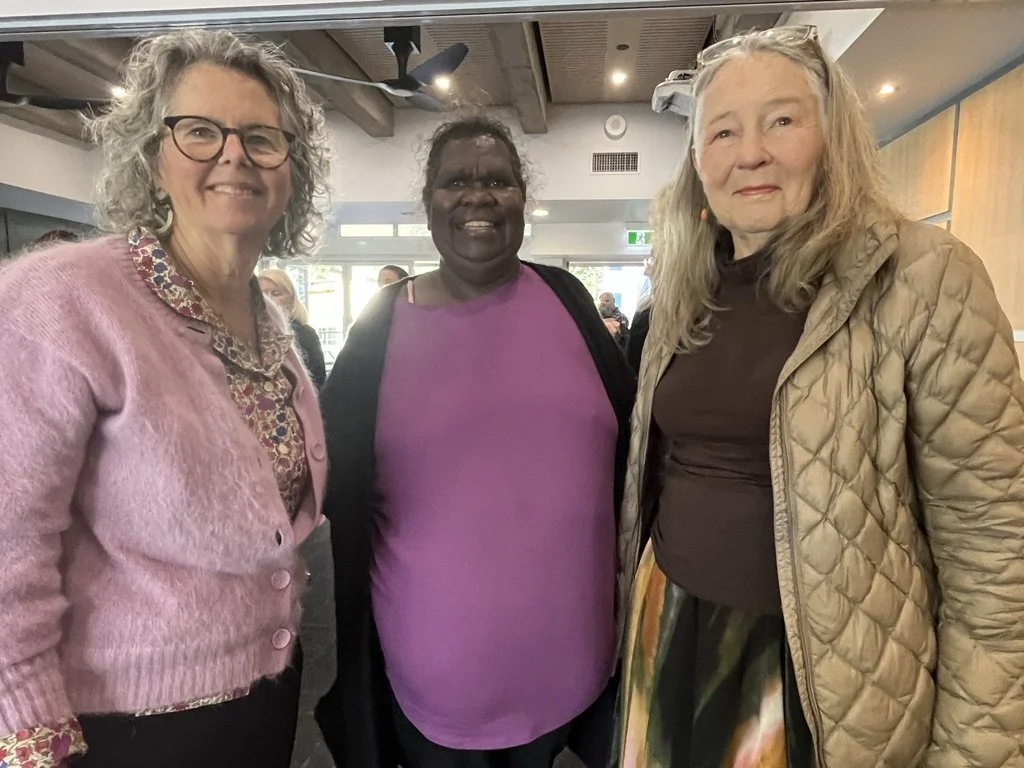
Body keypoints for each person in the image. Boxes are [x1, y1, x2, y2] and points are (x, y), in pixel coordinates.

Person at [615, 24, 1024, 768]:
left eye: (782, 120)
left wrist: (976, 748)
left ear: (832, 138)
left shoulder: (923, 278)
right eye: (723, 132)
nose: (752, 153)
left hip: (822, 673)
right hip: (669, 626)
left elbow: (995, 545)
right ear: (697, 162)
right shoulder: (681, 293)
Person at [0, 29, 332, 768]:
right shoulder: (61, 300)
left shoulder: (268, 324)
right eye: (201, 132)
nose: (234, 155)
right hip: (118, 727)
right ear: (154, 156)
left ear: (290, 170)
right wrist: (33, 736)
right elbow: (7, 540)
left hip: (265, 702)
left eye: (261, 138)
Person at [315, 116, 636, 768]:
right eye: (456, 181)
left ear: (523, 197)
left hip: (577, 669)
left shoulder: (568, 299)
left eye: (498, 180)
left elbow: (631, 447)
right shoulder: (380, 330)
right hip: (437, 689)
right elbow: (330, 488)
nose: (479, 196)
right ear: (428, 202)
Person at [259, 267, 327, 387]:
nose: (268, 299)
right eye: (262, 293)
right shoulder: (246, 333)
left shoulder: (305, 334)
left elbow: (318, 379)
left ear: (290, 299)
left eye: (276, 293)